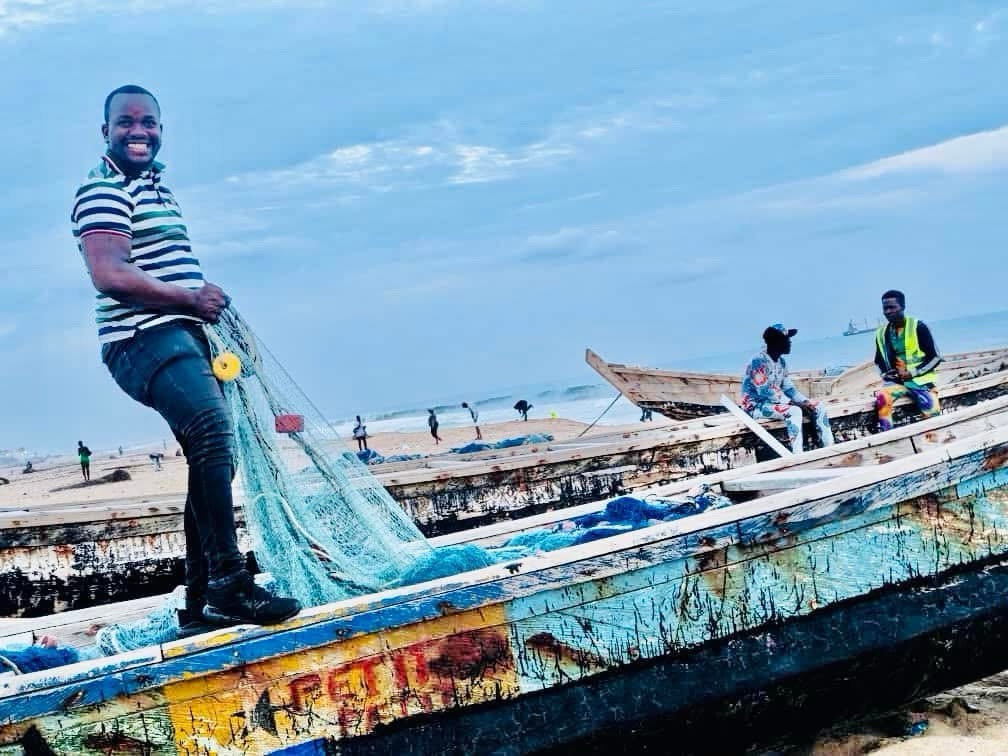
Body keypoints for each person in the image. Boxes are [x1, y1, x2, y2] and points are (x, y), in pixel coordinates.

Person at [71, 84, 300, 636]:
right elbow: (111, 274)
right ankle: (229, 583)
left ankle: (201, 600)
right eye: (125, 122)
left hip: (181, 333)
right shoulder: (103, 190)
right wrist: (191, 299)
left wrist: (203, 295)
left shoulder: (160, 192)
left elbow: (163, 267)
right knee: (213, 434)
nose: (139, 131)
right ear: (106, 132)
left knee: (215, 452)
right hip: (141, 338)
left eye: (149, 122)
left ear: (161, 129)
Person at [740, 324, 835, 452]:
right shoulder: (758, 361)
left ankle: (829, 448)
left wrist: (805, 402)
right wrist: (793, 403)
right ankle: (798, 455)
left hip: (773, 404)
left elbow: (789, 388)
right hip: (756, 406)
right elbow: (765, 391)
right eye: (786, 339)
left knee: (818, 406)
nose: (790, 342)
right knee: (795, 411)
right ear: (776, 342)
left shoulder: (781, 363)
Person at [873, 290, 942, 432]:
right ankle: (888, 437)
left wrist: (912, 373)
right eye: (885, 308)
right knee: (882, 397)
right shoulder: (881, 333)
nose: (888, 312)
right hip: (897, 383)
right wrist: (885, 374)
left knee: (931, 410)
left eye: (892, 307)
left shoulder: (918, 327)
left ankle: (934, 440)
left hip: (921, 382)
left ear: (902, 307)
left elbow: (935, 357)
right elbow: (878, 361)